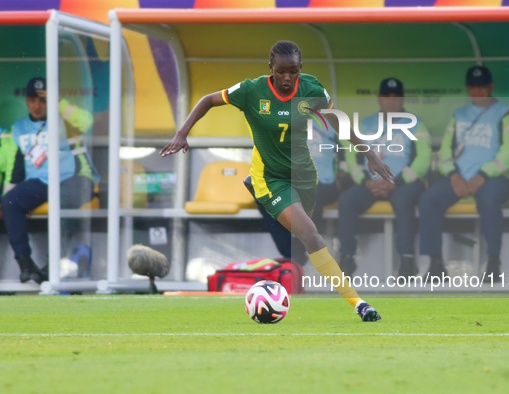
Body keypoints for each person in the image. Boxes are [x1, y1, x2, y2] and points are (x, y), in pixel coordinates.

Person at [161, 41, 394, 321]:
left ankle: (282, 229)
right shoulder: (251, 90)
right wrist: (182, 132)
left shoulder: (312, 89)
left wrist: (368, 153)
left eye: (293, 71)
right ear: (270, 68)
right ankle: (359, 303)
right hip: (271, 177)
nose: (287, 78)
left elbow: (337, 121)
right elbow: (208, 100)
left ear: (300, 69)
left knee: (304, 236)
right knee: (311, 237)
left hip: (304, 174)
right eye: (281, 71)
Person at [419, 65, 509, 281]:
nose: (477, 89)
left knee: (489, 198)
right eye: (473, 86)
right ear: (467, 88)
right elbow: (446, 150)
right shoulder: (459, 115)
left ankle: (493, 262)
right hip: (460, 178)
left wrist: (482, 175)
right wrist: (453, 175)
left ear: (491, 87)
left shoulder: (506, 114)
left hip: (493, 178)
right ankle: (436, 263)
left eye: (482, 85)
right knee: (428, 199)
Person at [0, 77, 97, 284]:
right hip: (41, 182)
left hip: (73, 178)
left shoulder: (65, 120)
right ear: (26, 100)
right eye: (33, 99)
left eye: (43, 100)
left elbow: (86, 121)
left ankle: (54, 264)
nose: (37, 105)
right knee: (10, 201)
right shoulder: (19, 127)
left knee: (63, 197)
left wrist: (57, 102)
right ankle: (25, 263)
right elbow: (15, 169)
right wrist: (6, 196)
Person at [338, 78, 432, 278]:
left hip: (402, 183)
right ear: (379, 98)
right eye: (387, 97)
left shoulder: (416, 124)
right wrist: (365, 181)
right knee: (347, 199)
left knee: (402, 199)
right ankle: (347, 256)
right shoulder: (366, 123)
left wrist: (395, 182)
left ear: (402, 99)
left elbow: (423, 159)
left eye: (396, 97)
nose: (391, 101)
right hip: (371, 183)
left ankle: (407, 259)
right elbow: (352, 156)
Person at [243, 120, 355, 265]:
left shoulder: (332, 125)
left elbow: (348, 154)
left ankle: (299, 249)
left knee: (313, 194)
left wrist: (342, 177)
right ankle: (292, 252)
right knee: (263, 200)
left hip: (324, 183)